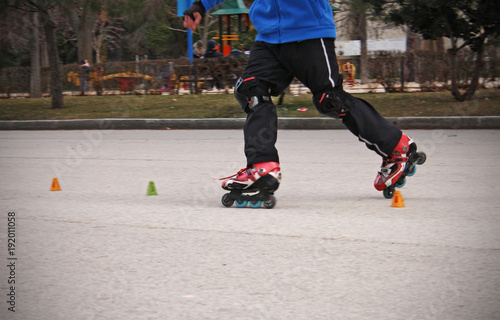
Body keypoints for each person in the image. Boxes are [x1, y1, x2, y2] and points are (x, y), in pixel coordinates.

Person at [184, 0, 424, 202]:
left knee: (330, 98)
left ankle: (396, 147)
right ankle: (262, 167)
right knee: (251, 90)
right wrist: (200, 6)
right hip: (269, 35)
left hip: (309, 30)